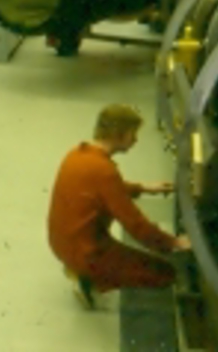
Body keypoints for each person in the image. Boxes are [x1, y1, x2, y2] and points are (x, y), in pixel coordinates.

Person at [47, 103, 190, 308]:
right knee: (164, 273)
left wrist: (143, 188)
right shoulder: (105, 171)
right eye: (133, 134)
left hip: (61, 243)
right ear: (119, 134)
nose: (135, 140)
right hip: (87, 252)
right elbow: (136, 225)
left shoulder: (78, 154)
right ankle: (86, 278)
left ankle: (77, 268)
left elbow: (102, 188)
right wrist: (173, 243)